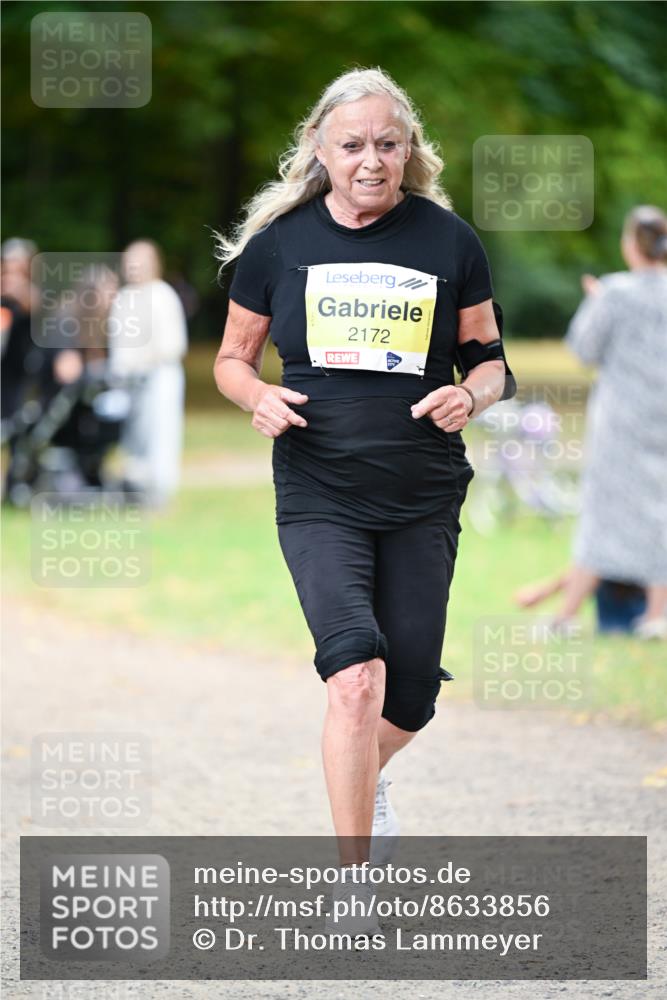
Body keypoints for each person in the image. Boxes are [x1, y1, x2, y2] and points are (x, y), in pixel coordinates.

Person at [213, 67, 516, 935]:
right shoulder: (280, 247)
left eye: (388, 143)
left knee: (409, 694)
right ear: (320, 148)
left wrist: (475, 395)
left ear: (408, 149)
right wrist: (254, 397)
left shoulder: (448, 241)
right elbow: (232, 359)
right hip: (318, 488)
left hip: (422, 491)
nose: (371, 160)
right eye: (352, 145)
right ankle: (355, 882)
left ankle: (354, 773)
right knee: (355, 674)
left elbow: (490, 359)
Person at [520, 206, 667, 640]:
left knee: (602, 511)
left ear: (630, 244)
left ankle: (565, 615)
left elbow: (583, 349)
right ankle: (657, 613)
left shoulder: (616, 293)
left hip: (621, 420)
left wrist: (594, 301)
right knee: (661, 512)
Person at [108, 240, 188, 508]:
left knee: (160, 433)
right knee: (133, 437)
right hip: (129, 381)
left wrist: (144, 363)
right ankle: (135, 487)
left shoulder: (162, 295)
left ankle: (159, 491)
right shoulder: (124, 298)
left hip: (159, 377)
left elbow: (172, 345)